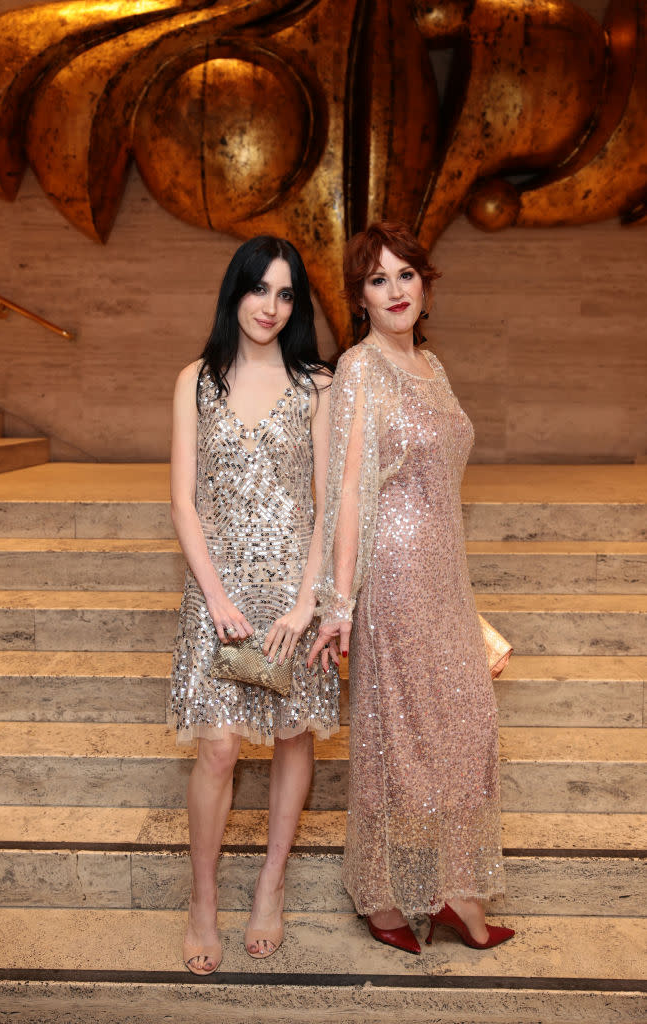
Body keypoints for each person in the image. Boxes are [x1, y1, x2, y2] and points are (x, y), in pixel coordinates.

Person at [308, 221, 514, 954]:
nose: (394, 290)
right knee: (402, 738)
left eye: (405, 275)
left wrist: (470, 604)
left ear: (424, 285)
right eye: (376, 278)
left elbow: (443, 487)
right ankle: (386, 892)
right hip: (390, 576)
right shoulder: (361, 368)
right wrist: (340, 603)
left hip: (444, 571)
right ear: (359, 297)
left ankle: (456, 893)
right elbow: (348, 493)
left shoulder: (433, 365)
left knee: (466, 729)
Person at [170, 235, 337, 975]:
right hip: (220, 587)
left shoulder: (318, 387)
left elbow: (329, 508)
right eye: (258, 289)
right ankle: (202, 899)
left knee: (294, 734)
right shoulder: (196, 381)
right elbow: (182, 503)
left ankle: (270, 885)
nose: (270, 307)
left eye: (285, 293)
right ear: (234, 292)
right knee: (219, 745)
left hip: (292, 592)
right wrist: (217, 599)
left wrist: (306, 604)